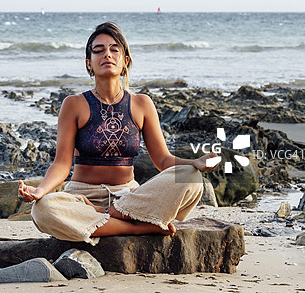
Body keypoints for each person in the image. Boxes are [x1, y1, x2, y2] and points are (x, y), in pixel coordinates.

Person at [18, 21, 218, 245]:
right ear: (89, 63)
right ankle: (138, 228)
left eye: (115, 50)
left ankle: (109, 217)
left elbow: (163, 160)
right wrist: (40, 190)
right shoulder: (73, 104)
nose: (107, 54)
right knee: (42, 210)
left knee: (191, 178)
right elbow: (62, 164)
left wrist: (195, 162)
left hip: (129, 199)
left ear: (125, 62)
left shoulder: (142, 104)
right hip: (82, 198)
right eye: (99, 50)